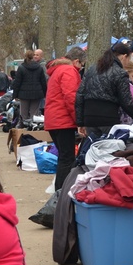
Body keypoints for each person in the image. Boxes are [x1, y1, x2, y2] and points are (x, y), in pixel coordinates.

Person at [75, 41, 133, 139]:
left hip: (89, 118)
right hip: (108, 118)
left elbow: (79, 95)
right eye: (129, 58)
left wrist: (80, 122)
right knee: (110, 150)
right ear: (124, 56)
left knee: (95, 150)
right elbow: (127, 103)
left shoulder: (92, 69)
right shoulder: (120, 73)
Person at [44, 47, 85, 190]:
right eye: (81, 64)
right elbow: (71, 97)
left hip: (54, 120)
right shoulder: (69, 71)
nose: (81, 68)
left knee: (64, 157)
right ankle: (61, 192)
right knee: (67, 158)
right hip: (63, 121)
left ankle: (59, 191)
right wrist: (79, 120)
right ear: (76, 61)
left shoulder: (58, 70)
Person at [11, 49, 48, 128]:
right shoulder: (39, 67)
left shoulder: (21, 68)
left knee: (23, 113)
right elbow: (43, 82)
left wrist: (15, 95)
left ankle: (23, 129)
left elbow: (17, 83)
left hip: (23, 94)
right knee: (34, 114)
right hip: (37, 94)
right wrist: (45, 93)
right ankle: (33, 129)